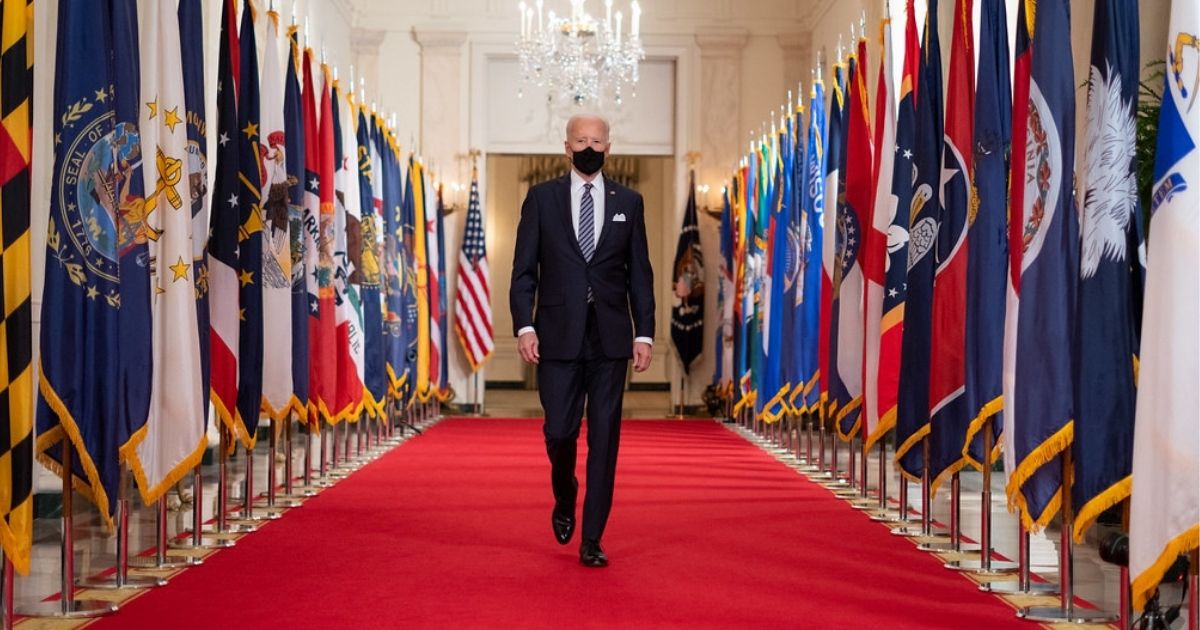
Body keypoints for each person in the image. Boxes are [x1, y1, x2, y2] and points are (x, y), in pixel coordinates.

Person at [509, 113, 655, 568]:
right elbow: (523, 273)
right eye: (580, 140)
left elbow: (641, 275)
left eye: (597, 141)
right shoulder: (541, 199)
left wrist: (645, 332)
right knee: (559, 432)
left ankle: (592, 537)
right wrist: (525, 326)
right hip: (556, 336)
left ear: (609, 148)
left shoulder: (629, 202)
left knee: (606, 439)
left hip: (610, 339)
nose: (588, 147)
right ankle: (565, 491)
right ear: (567, 147)